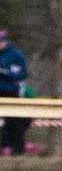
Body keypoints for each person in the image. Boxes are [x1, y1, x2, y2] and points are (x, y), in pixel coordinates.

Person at [0, 25, 29, 155]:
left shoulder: (16, 55)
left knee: (15, 121)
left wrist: (6, 72)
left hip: (11, 91)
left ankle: (17, 149)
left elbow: (22, 73)